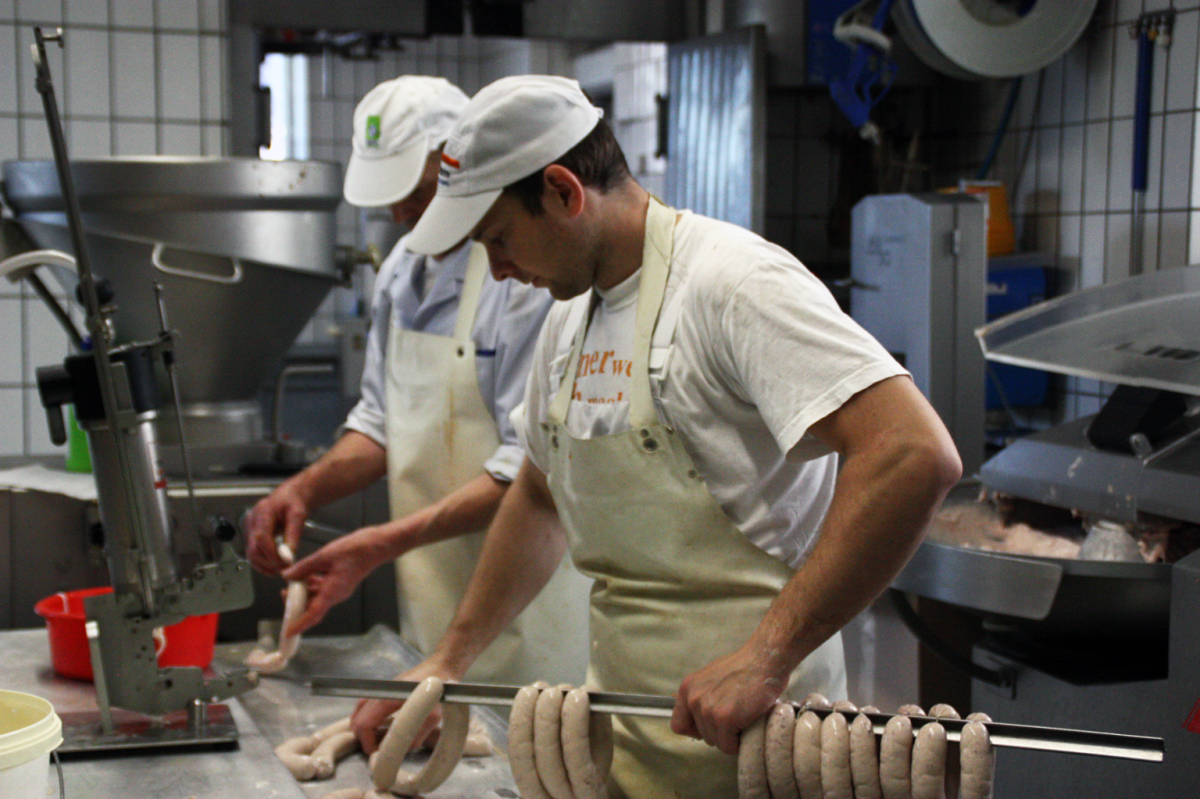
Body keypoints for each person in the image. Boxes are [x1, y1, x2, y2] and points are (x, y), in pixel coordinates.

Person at [352, 75, 963, 797]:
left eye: (498, 238)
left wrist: (769, 654)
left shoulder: (733, 284)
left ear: (563, 191)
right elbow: (541, 495)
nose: (501, 270)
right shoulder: (565, 323)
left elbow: (912, 451)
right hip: (626, 752)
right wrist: (450, 658)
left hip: (761, 752)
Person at [245, 75, 591, 691]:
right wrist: (301, 491)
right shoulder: (401, 272)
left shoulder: (523, 276)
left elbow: (529, 469)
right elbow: (379, 424)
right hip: (430, 605)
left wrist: (380, 542)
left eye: (417, 189)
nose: (401, 211)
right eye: (390, 195)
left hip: (529, 617)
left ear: (457, 162)